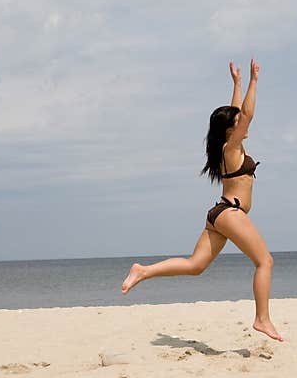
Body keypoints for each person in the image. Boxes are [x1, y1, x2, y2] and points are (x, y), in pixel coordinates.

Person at [121, 58, 283, 341]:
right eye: (238, 123)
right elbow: (246, 114)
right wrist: (255, 81)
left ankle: (143, 271)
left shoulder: (229, 145)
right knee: (265, 262)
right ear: (231, 130)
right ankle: (262, 319)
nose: (243, 123)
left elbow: (236, 114)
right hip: (230, 213)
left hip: (219, 215)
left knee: (195, 265)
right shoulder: (231, 148)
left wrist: (236, 83)